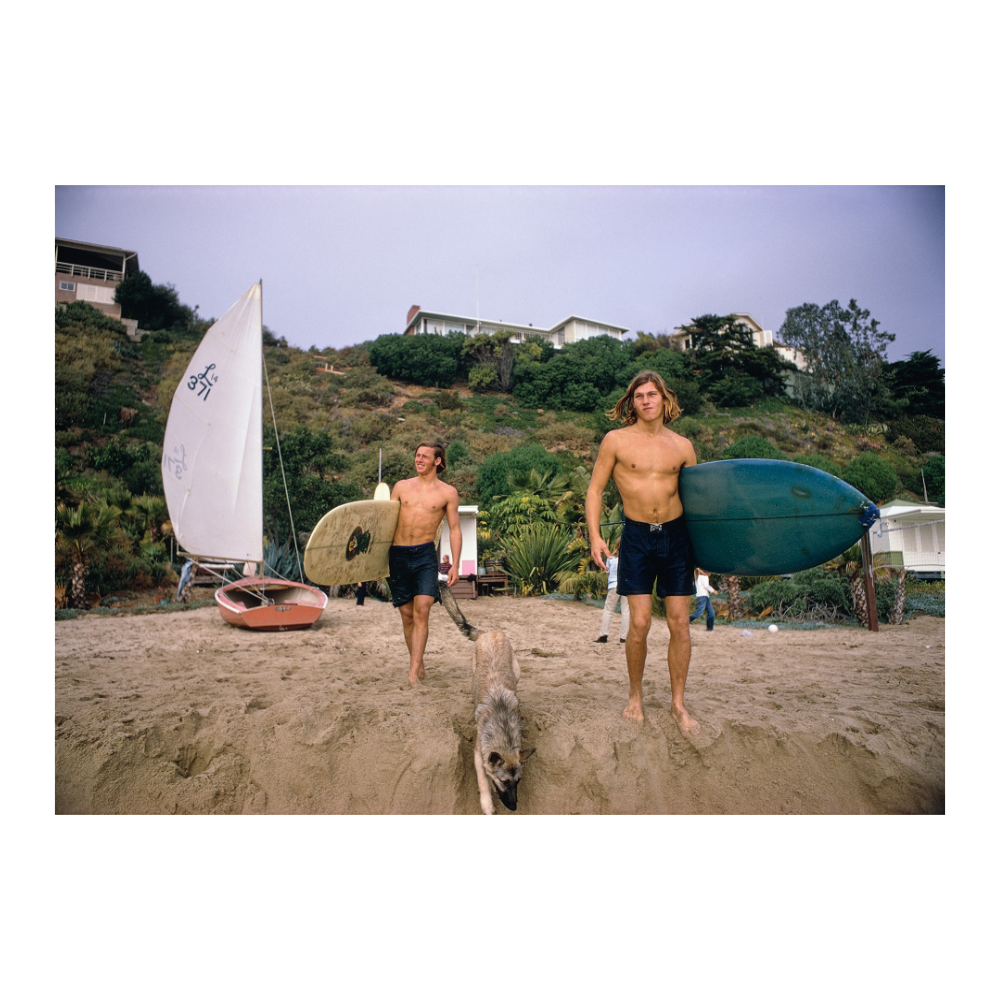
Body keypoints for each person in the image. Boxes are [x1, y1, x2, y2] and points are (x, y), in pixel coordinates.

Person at [585, 370, 701, 736]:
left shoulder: (682, 446)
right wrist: (594, 536)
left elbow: (699, 501)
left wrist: (703, 551)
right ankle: (635, 695)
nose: (647, 400)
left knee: (680, 622)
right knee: (639, 623)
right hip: (636, 537)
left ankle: (678, 703)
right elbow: (595, 489)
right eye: (640, 396)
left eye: (653, 394)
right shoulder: (615, 441)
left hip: (677, 536)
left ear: (664, 399)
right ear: (631, 402)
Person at [390, 442, 462, 686]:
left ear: (437, 461)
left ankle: (412, 674)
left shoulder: (447, 493)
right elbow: (384, 523)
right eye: (417, 455)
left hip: (425, 555)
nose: (418, 459)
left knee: (422, 610)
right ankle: (417, 664)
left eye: (424, 456)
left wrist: (455, 564)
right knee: (407, 615)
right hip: (397, 554)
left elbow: (454, 529)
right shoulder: (401, 487)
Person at [594, 538, 630, 644]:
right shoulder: (629, 559)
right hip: (626, 586)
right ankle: (624, 637)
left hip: (613, 585)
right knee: (626, 611)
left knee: (608, 610)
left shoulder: (611, 558)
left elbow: (607, 572)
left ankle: (603, 635)